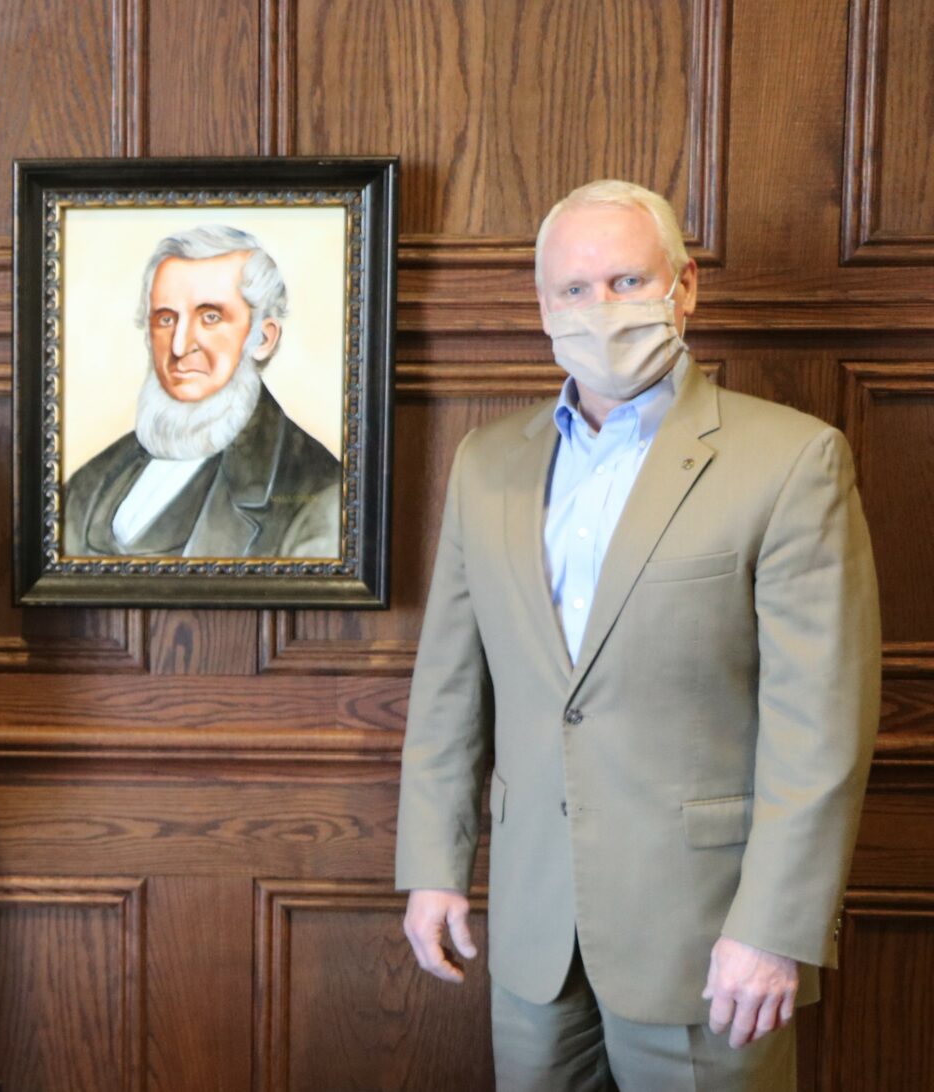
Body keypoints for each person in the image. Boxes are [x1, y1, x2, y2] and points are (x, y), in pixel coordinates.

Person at [396, 179, 880, 1091]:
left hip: (708, 942)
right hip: (537, 935)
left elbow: (820, 727)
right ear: (542, 306)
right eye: (573, 291)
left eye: (625, 281)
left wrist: (774, 927)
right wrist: (434, 867)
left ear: (684, 286)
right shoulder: (486, 464)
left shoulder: (792, 461)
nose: (599, 309)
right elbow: (450, 690)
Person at [62, 224, 342, 558]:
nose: (179, 346)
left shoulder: (320, 492)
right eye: (165, 319)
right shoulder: (90, 482)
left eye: (210, 317)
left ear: (263, 339)